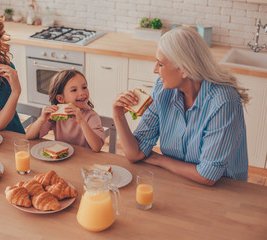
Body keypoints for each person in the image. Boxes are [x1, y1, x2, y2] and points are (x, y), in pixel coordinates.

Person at [113, 27, 249, 186]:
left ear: (185, 69)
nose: (155, 70)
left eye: (160, 64)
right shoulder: (163, 91)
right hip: (178, 179)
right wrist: (118, 115)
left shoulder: (223, 102)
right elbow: (135, 154)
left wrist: (158, 159)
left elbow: (207, 175)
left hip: (226, 190)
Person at [25, 69, 105, 152]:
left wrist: (82, 121)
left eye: (84, 87)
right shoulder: (56, 115)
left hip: (84, 160)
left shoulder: (91, 116)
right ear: (60, 98)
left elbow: (97, 147)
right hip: (62, 159)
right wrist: (42, 119)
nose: (82, 93)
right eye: (74, 90)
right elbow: (29, 136)